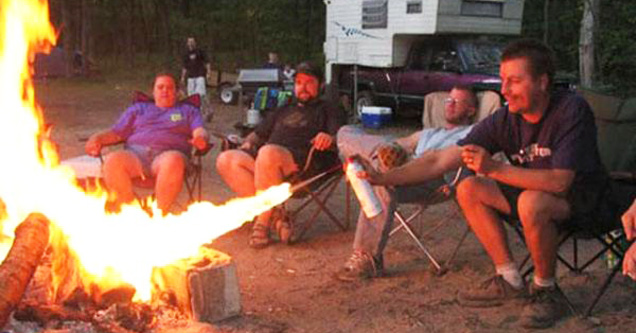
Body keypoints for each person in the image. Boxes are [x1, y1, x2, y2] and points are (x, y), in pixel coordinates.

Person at [355, 39, 609, 329]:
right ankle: (510, 278)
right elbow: (439, 160)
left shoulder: (571, 110)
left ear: (542, 82)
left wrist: (495, 168)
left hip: (587, 201)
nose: (504, 91)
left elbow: (560, 182)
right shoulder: (505, 119)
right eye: (503, 81)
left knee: (530, 201)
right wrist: (383, 178)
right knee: (470, 188)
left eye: (514, 81)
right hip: (535, 197)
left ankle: (547, 290)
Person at [335, 85, 478, 281]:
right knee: (347, 132)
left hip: (432, 182)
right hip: (400, 170)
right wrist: (387, 151)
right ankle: (366, 164)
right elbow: (399, 144)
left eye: (457, 102)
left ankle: (366, 257)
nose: (450, 105)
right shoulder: (429, 133)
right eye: (448, 100)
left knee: (380, 183)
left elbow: (464, 165)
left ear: (471, 110)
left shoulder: (473, 133)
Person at [216, 61, 345, 248]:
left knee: (268, 153)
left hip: (305, 166)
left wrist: (329, 137)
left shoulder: (329, 108)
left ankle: (262, 224)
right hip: (268, 161)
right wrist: (247, 143)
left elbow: (341, 136)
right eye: (299, 82)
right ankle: (277, 215)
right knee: (226, 159)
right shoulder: (284, 108)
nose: (303, 87)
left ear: (321, 85)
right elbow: (259, 133)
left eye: (309, 82)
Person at [85, 73, 209, 215]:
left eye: (169, 87)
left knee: (172, 160)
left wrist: (201, 139)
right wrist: (97, 138)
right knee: (113, 160)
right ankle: (130, 213)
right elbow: (116, 133)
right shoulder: (138, 109)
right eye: (160, 87)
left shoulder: (188, 111)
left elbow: (200, 130)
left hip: (168, 156)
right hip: (135, 156)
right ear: (153, 91)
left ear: (177, 92)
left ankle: (159, 216)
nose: (164, 91)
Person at [180, 37, 212, 120]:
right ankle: (196, 113)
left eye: (192, 42)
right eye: (189, 42)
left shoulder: (200, 52)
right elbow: (184, 67)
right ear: (187, 44)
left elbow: (207, 62)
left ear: (195, 43)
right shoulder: (186, 54)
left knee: (201, 95)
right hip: (191, 78)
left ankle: (206, 111)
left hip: (200, 76)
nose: (191, 43)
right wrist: (183, 77)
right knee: (191, 97)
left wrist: (208, 73)